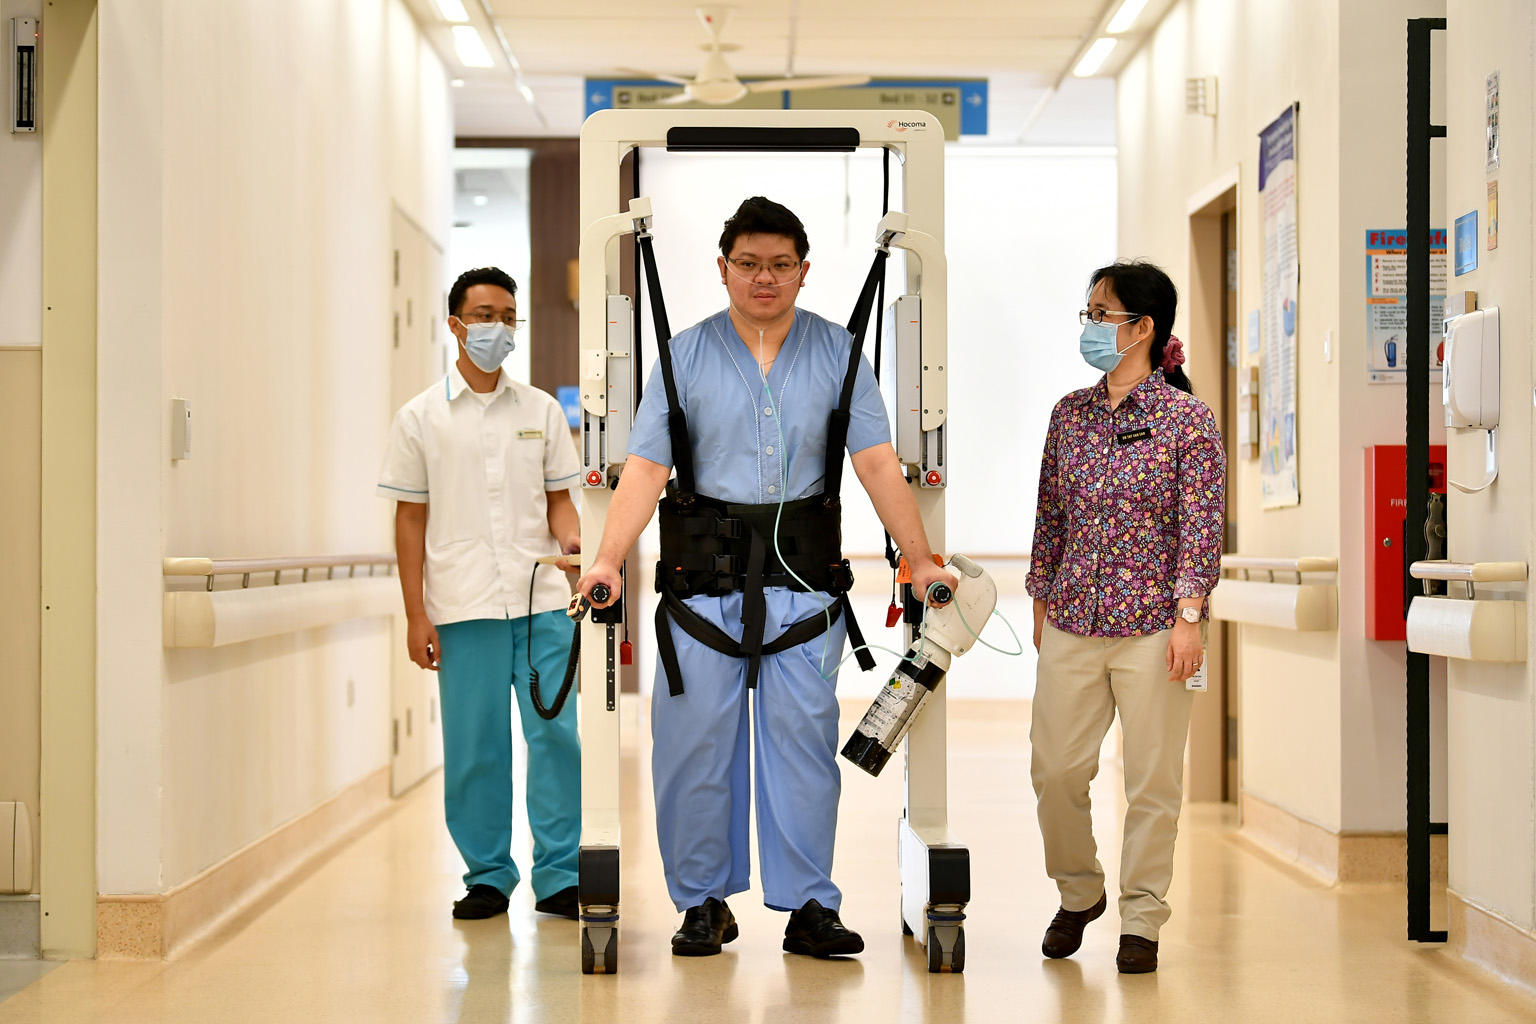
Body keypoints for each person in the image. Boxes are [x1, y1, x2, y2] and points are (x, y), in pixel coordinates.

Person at [576, 197, 957, 959]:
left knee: (803, 746)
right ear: (723, 268)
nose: (764, 279)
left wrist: (919, 558)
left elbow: (876, 462)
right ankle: (702, 902)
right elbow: (646, 467)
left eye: (781, 265)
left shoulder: (838, 352)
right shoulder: (684, 354)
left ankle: (810, 904)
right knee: (692, 747)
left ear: (803, 272)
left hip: (804, 589)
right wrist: (607, 559)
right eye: (748, 264)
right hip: (700, 590)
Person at [1025, 259, 1226, 974]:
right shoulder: (1069, 415)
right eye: (1088, 314)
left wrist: (1190, 616)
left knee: (1151, 782)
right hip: (1073, 618)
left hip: (1156, 627)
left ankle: (1142, 917)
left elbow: (1201, 524)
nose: (1089, 327)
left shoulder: (1187, 420)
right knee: (1055, 771)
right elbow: (1051, 514)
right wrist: (1041, 596)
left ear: (1142, 328)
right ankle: (1079, 892)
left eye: (1100, 315)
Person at [378, 266, 583, 922]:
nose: (499, 328)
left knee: (556, 739)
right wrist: (415, 614)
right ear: (456, 324)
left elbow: (560, 501)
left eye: (508, 317)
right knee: (475, 747)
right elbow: (410, 520)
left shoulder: (541, 411)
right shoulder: (420, 418)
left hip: (543, 601)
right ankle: (488, 876)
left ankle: (560, 875)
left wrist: (574, 543)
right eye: (485, 316)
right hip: (463, 607)